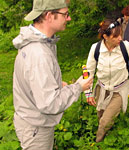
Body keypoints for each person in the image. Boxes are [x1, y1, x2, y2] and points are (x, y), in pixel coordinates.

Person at [12, 0, 93, 149]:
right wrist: (78, 87)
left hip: (31, 120)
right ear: (49, 16)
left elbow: (33, 80)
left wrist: (54, 84)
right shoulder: (39, 54)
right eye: (65, 14)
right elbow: (49, 104)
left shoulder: (41, 43)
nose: (68, 18)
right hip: (36, 128)